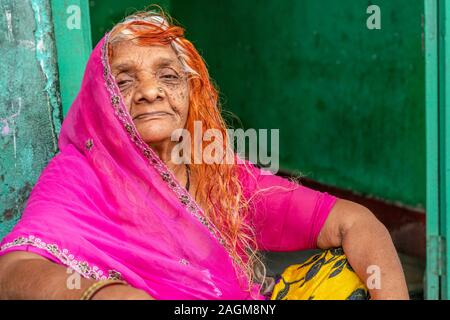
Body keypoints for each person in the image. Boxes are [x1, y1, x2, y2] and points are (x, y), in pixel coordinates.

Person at [0, 8, 409, 300]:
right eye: (124, 81)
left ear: (190, 92)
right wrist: (101, 293)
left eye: (167, 75)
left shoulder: (217, 173)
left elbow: (352, 222)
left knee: (344, 275)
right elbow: (12, 272)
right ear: (101, 99)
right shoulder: (81, 172)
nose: (150, 91)